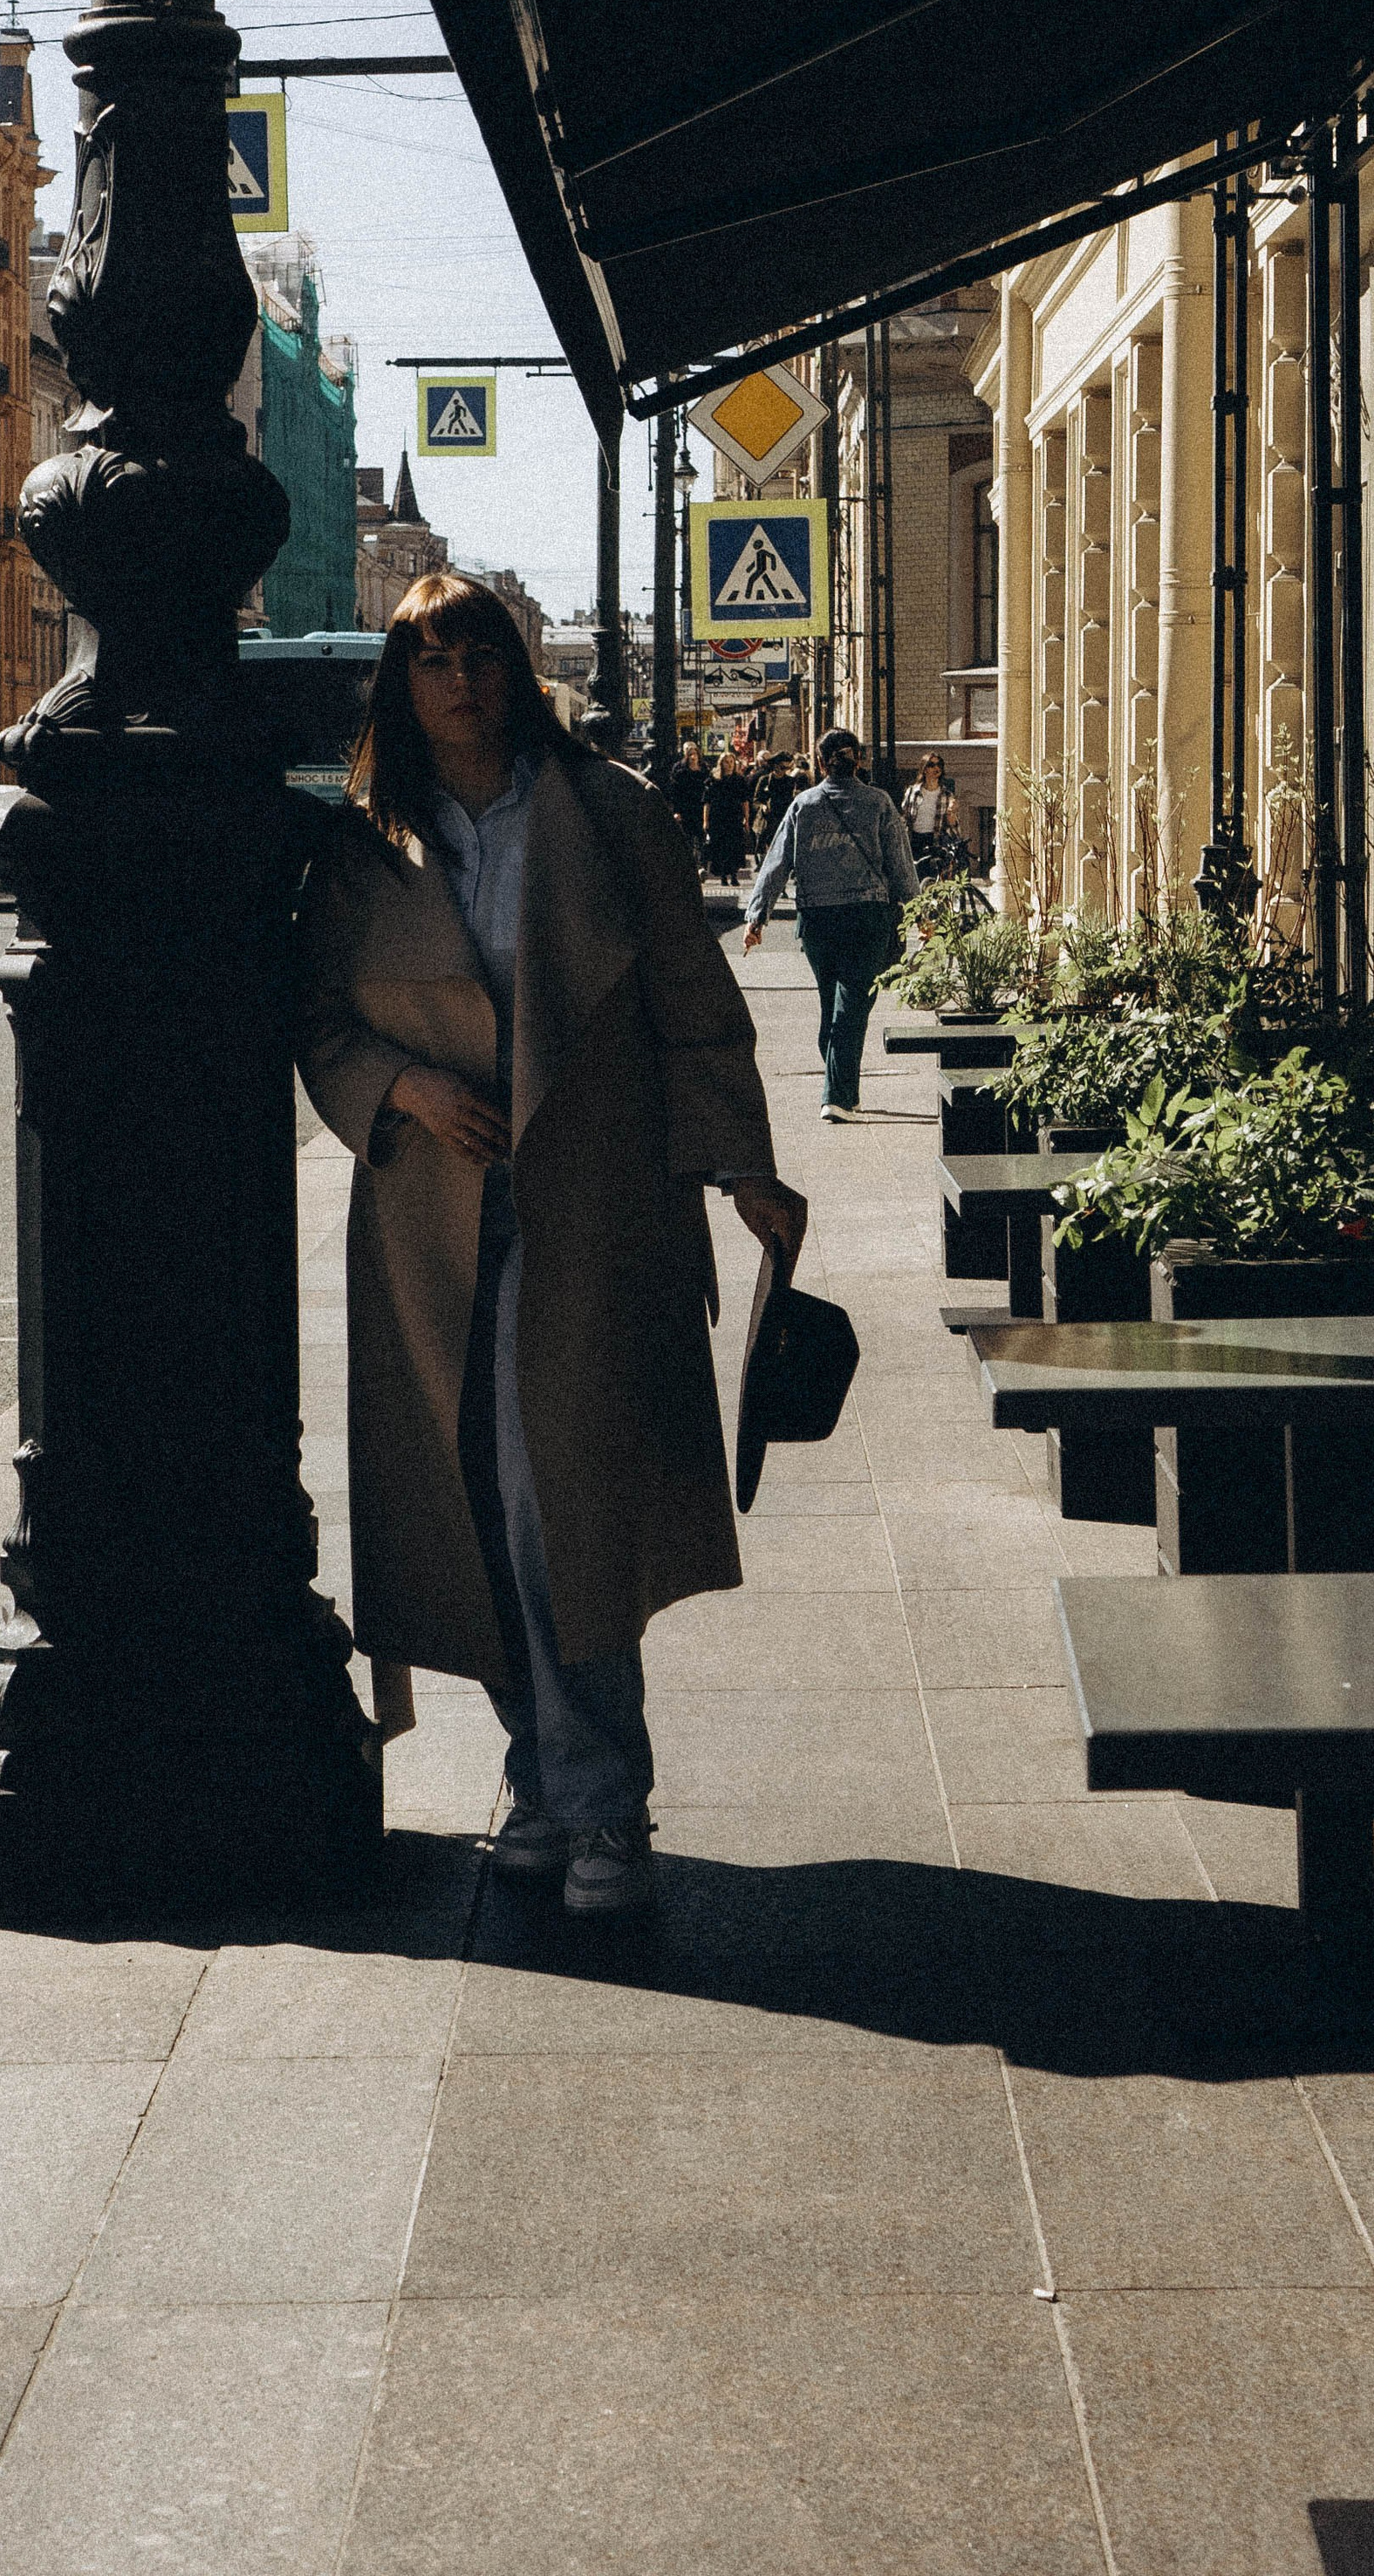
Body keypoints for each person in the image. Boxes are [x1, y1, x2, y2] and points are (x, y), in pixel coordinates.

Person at [296, 573, 807, 1918]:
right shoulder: (365, 845)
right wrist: (404, 1089)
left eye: (481, 655)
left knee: (556, 1512)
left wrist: (744, 1166)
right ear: (400, 686)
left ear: (517, 671)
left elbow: (694, 1005)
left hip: (593, 1204)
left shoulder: (610, 814)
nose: (461, 682)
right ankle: (539, 1777)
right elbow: (320, 1023)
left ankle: (603, 1802)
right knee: (465, 1509)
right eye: (432, 661)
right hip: (431, 1221)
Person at [742, 728, 919, 1120]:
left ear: (821, 763)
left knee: (833, 1005)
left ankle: (843, 1090)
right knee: (852, 1005)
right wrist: (920, 911)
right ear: (859, 760)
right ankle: (836, 1096)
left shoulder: (803, 804)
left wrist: (757, 916)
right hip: (867, 917)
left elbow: (776, 863)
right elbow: (901, 865)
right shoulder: (879, 803)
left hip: (817, 920)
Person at [703, 747, 751, 884]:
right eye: (726, 762)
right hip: (718, 817)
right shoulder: (714, 780)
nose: (729, 765)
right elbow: (707, 802)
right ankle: (724, 876)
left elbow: (745, 801)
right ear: (721, 764)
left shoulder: (740, 780)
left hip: (734, 817)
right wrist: (705, 821)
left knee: (734, 846)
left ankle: (734, 875)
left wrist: (746, 819)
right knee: (721, 847)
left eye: (731, 762)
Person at [900, 755, 954, 871]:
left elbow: (952, 824)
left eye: (939, 765)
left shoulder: (946, 795)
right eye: (931, 765)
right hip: (915, 839)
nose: (936, 768)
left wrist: (952, 814)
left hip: (935, 840)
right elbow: (905, 816)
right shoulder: (913, 791)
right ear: (924, 769)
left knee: (933, 875)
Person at [666, 740, 708, 863]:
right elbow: (676, 793)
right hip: (686, 808)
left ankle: (701, 863)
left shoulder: (704, 770)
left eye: (695, 754)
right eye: (690, 754)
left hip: (700, 807)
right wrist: (676, 811)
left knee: (701, 837)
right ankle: (690, 862)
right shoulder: (681, 772)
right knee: (687, 837)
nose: (693, 757)